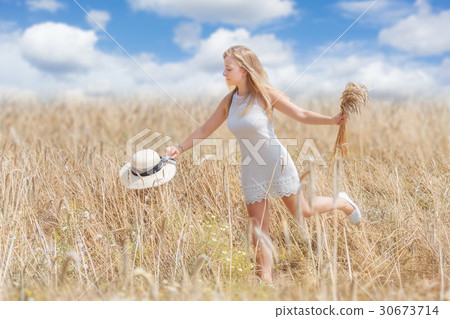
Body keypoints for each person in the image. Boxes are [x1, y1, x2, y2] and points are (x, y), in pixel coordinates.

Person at [165, 45, 361, 285]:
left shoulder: (265, 94)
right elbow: (205, 129)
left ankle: (342, 201)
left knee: (303, 211)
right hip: (250, 167)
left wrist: (332, 120)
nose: (224, 73)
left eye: (229, 68)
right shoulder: (229, 101)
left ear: (245, 70)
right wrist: (180, 148)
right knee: (259, 228)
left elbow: (301, 114)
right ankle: (264, 280)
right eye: (224, 68)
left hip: (275, 161)